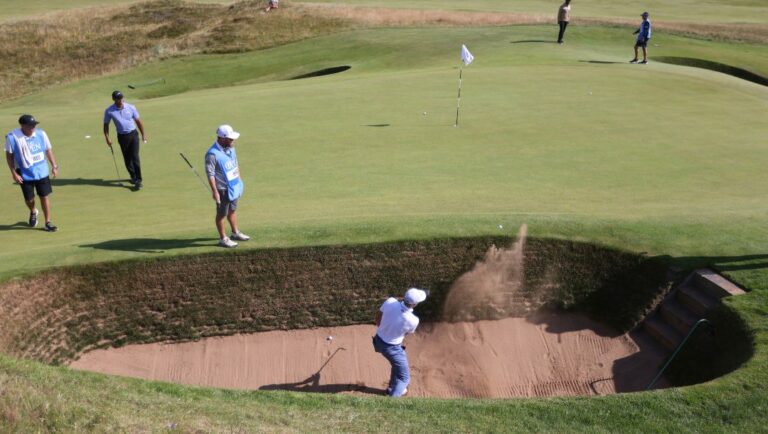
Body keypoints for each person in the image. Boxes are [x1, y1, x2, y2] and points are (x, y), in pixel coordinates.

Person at [5, 115, 59, 232]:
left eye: (34, 125)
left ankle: (47, 222)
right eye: (31, 125)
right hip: (24, 172)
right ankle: (33, 211)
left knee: (44, 196)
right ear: (23, 126)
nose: (33, 127)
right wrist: (14, 173)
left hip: (41, 171)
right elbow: (9, 157)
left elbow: (48, 150)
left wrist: (54, 166)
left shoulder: (41, 134)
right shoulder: (13, 138)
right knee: (29, 199)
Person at [372, 287, 428, 397]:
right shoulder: (414, 320)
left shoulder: (390, 301)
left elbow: (378, 316)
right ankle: (392, 402)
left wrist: (382, 327)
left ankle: (391, 387)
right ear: (415, 304)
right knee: (404, 378)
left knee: (396, 365)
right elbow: (406, 333)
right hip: (392, 349)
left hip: (378, 340)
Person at [205, 124, 251, 248]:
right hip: (222, 189)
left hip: (234, 186)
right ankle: (223, 239)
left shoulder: (231, 148)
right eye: (230, 139)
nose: (233, 141)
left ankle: (235, 233)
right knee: (222, 214)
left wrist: (239, 181)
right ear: (222, 138)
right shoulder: (212, 154)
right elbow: (210, 174)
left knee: (232, 210)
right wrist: (215, 191)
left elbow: (235, 164)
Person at [103, 90, 147, 189]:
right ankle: (133, 176)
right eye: (118, 98)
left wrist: (143, 134)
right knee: (127, 159)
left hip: (133, 134)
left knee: (135, 157)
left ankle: (138, 180)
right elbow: (106, 125)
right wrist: (107, 138)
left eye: (121, 97)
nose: (121, 100)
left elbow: (138, 121)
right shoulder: (109, 111)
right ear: (114, 99)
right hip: (122, 137)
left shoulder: (131, 107)